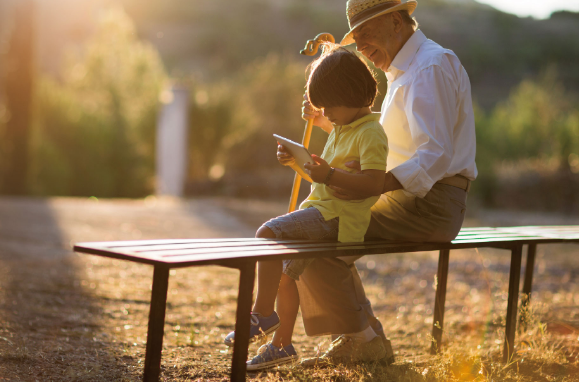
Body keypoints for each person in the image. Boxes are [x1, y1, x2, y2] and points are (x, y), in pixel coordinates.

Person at [284, 0, 477, 366]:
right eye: (357, 41)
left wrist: (376, 184)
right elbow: (387, 141)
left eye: (367, 37)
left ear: (394, 21)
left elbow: (434, 154)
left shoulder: (428, 67)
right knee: (313, 227)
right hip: (419, 198)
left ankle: (362, 339)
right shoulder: (408, 68)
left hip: (430, 204)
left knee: (314, 230)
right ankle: (363, 336)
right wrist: (330, 122)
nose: (363, 49)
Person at [223, 45, 390, 370]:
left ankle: (262, 314)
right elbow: (326, 179)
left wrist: (327, 173)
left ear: (354, 94)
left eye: (330, 105)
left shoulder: (371, 134)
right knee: (287, 274)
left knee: (268, 232)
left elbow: (374, 184)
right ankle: (281, 344)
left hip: (338, 219)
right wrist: (298, 164)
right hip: (324, 210)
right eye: (322, 106)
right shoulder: (343, 129)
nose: (325, 113)